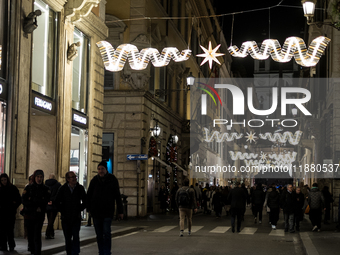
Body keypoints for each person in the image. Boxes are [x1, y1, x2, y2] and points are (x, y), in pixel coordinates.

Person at [87, 161, 124, 255]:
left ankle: (107, 252)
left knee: (106, 233)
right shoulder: (94, 180)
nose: (100, 171)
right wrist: (89, 209)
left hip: (107, 211)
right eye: (99, 169)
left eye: (102, 169)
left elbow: (117, 196)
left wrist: (120, 211)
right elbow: (89, 195)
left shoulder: (112, 179)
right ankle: (101, 251)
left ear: (106, 169)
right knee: (99, 235)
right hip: (96, 212)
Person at [55, 171, 87, 255]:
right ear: (68, 179)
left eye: (75, 176)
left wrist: (79, 208)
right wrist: (63, 210)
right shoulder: (63, 189)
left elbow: (85, 201)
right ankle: (69, 253)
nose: (74, 178)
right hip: (66, 218)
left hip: (76, 217)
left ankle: (76, 253)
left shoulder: (80, 188)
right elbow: (57, 201)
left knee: (76, 236)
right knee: (68, 238)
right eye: (72, 177)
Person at [22, 170, 50, 255]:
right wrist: (35, 203)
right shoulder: (29, 188)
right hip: (29, 215)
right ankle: (32, 249)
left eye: (41, 177)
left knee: (37, 234)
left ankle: (37, 252)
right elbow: (24, 200)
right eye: (38, 177)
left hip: (39, 215)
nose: (39, 179)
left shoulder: (46, 189)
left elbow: (46, 200)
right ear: (35, 177)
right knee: (30, 235)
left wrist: (35, 201)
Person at [0, 173, 21, 252]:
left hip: (10, 213)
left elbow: (19, 199)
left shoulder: (13, 188)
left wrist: (13, 205)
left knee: (10, 230)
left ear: (7, 179)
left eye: (5, 180)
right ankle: (3, 245)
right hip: (2, 213)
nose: (4, 182)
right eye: (2, 180)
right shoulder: (0, 189)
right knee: (2, 231)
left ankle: (11, 245)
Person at [45, 174, 61, 239]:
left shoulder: (45, 184)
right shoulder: (58, 185)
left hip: (47, 205)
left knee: (49, 219)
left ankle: (51, 233)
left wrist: (48, 201)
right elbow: (59, 195)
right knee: (51, 220)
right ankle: (48, 233)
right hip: (54, 205)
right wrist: (53, 200)